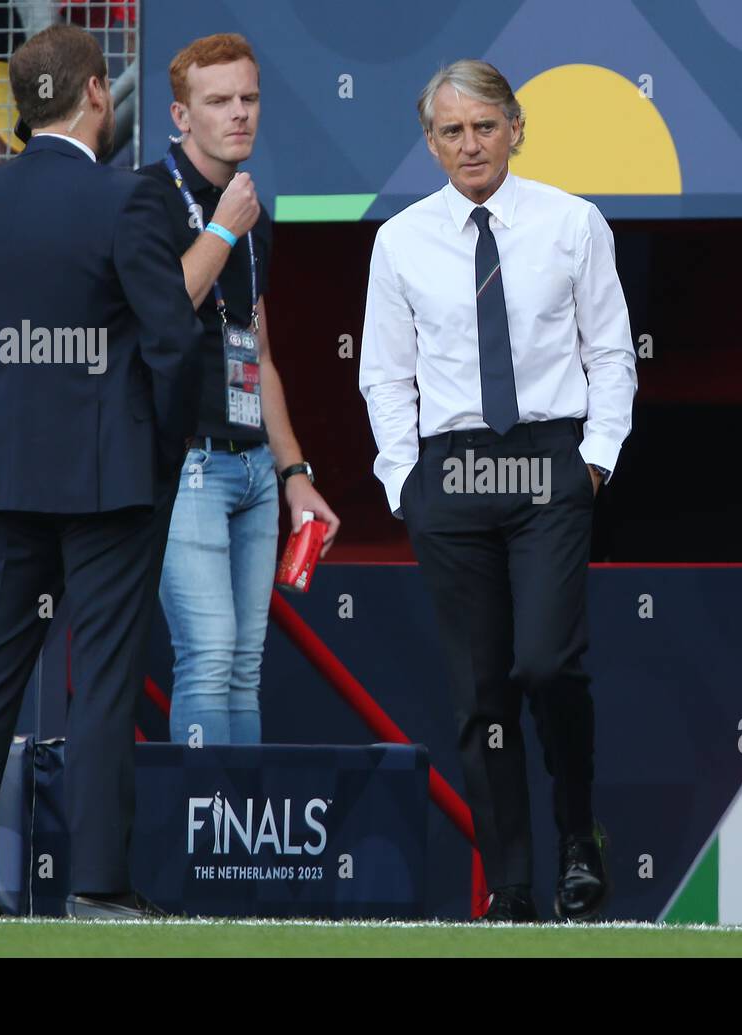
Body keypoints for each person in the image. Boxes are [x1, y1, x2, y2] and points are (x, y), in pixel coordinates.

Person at [359, 60, 637, 921]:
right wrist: (406, 482)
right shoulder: (400, 239)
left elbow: (612, 353)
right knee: (479, 695)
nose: (469, 144)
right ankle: (512, 886)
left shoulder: (573, 222)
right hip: (449, 474)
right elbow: (384, 375)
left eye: (484, 126)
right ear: (430, 141)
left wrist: (595, 461)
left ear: (517, 127)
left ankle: (577, 835)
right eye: (451, 131)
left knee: (547, 664)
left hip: (551, 463)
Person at [0, 25, 202, 919]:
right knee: (106, 679)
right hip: (105, 475)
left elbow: (11, 332)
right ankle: (97, 887)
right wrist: (160, 455)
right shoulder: (132, 201)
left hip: (3, 467)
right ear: (97, 92)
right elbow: (173, 342)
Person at [140, 33, 338, 746]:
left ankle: (236, 854)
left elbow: (256, 349)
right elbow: (166, 311)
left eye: (249, 98)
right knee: (209, 653)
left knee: (244, 667)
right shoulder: (148, 198)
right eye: (218, 101)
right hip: (188, 463)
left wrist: (295, 472)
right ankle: (203, 849)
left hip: (253, 461)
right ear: (179, 116)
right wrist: (223, 228)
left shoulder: (252, 208)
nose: (239, 114)